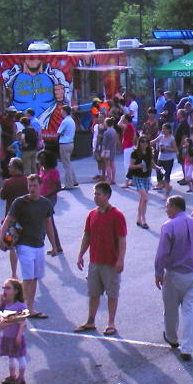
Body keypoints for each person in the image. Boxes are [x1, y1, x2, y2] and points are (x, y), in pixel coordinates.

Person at [155, 195, 193, 362]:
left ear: (174, 207)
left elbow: (162, 252)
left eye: (167, 206)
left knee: (171, 309)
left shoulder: (168, 226)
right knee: (190, 311)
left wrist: (158, 272)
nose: (166, 209)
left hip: (175, 273)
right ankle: (187, 347)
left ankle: (172, 338)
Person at [0, 175, 57, 319]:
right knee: (28, 278)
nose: (32, 188)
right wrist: (1, 237)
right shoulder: (20, 202)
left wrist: (54, 245)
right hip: (24, 245)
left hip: (39, 244)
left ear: (40, 186)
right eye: (30, 186)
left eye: (34, 185)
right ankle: (14, 308)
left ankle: (29, 309)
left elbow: (49, 225)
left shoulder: (45, 203)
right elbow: (8, 219)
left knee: (35, 278)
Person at [75, 182, 127, 336]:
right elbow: (87, 235)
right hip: (95, 261)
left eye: (98, 194)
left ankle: (111, 323)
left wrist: (120, 260)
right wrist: (80, 254)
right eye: (94, 194)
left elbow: (122, 239)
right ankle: (90, 321)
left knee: (112, 293)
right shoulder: (92, 214)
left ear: (107, 196)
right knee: (93, 293)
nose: (95, 197)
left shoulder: (117, 215)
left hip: (111, 262)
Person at [0, 278, 29, 384]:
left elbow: (22, 322)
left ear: (16, 291)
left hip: (15, 336)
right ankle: (12, 375)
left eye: (8, 288)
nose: (5, 290)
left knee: (20, 356)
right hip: (7, 336)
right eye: (4, 288)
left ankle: (21, 377)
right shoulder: (5, 304)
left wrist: (19, 335)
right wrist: (1, 301)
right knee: (10, 356)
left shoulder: (20, 306)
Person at [127, 132, 154, 230]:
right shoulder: (135, 153)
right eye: (142, 142)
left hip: (146, 177)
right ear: (139, 143)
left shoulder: (149, 151)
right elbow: (131, 166)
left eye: (146, 142)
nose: (144, 144)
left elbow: (151, 163)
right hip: (137, 177)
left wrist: (158, 168)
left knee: (142, 200)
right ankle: (143, 220)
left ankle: (139, 218)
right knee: (145, 198)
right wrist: (139, 166)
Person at [152, 122, 177, 197]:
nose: (163, 130)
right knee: (159, 173)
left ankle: (166, 193)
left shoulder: (172, 138)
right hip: (160, 159)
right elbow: (153, 142)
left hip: (168, 160)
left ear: (169, 130)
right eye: (162, 128)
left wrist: (166, 148)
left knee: (167, 175)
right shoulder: (161, 136)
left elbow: (175, 149)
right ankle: (165, 186)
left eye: (164, 129)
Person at [56, 109, 79, 189]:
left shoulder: (65, 121)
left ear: (65, 112)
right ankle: (74, 180)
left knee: (66, 165)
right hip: (70, 142)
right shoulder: (71, 120)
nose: (61, 112)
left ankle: (69, 184)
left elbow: (58, 132)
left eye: (62, 111)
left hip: (64, 143)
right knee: (68, 163)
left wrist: (60, 134)